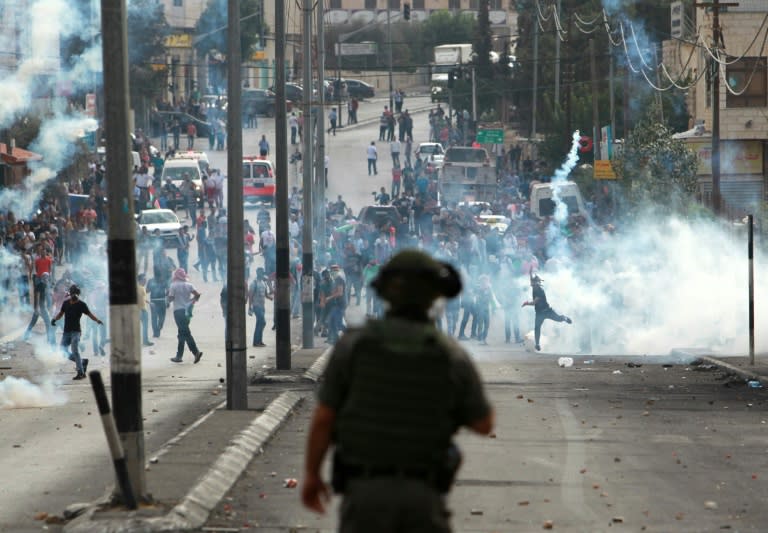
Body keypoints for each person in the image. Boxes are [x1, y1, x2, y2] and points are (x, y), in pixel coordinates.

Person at [301, 249, 494, 531]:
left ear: (384, 292)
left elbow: (323, 419)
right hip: (423, 498)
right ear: (434, 297)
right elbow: (483, 423)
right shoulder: (449, 354)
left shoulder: (353, 347)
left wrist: (311, 476)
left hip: (363, 496)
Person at [51, 284, 104, 380]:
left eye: (76, 293)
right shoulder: (66, 303)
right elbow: (61, 314)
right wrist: (54, 319)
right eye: (73, 293)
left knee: (75, 350)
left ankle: (81, 373)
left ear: (78, 294)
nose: (74, 295)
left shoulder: (82, 304)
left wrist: (97, 320)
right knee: (63, 352)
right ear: (70, 294)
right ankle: (82, 361)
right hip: (66, 332)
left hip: (76, 331)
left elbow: (90, 314)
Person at [521, 272, 572, 351]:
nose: (533, 283)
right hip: (539, 313)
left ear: (538, 283)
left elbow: (534, 302)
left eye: (535, 282)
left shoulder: (539, 291)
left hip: (547, 311)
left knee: (558, 319)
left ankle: (565, 318)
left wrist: (527, 303)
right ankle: (537, 344)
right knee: (537, 328)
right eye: (533, 282)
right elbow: (531, 280)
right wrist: (530, 272)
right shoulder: (534, 287)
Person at [168, 268, 203, 363]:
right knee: (181, 333)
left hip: (178, 312)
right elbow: (198, 294)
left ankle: (196, 352)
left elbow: (170, 299)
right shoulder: (189, 285)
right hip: (187, 312)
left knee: (185, 333)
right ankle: (179, 356)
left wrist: (167, 297)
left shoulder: (173, 285)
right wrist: (192, 301)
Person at [247, 267, 272, 347]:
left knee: (260, 323)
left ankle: (258, 341)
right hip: (256, 306)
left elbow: (265, 294)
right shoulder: (254, 283)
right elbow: (250, 295)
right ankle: (257, 341)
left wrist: (270, 297)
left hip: (262, 306)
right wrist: (250, 307)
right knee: (262, 322)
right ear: (257, 273)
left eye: (262, 272)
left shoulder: (263, 283)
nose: (261, 274)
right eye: (260, 272)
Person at [137, 273, 154, 347]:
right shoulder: (138, 288)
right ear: (140, 280)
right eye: (144, 280)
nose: (145, 281)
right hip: (139, 310)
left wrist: (149, 302)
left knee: (145, 326)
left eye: (146, 280)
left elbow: (142, 298)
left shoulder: (142, 288)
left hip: (143, 309)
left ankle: (145, 340)